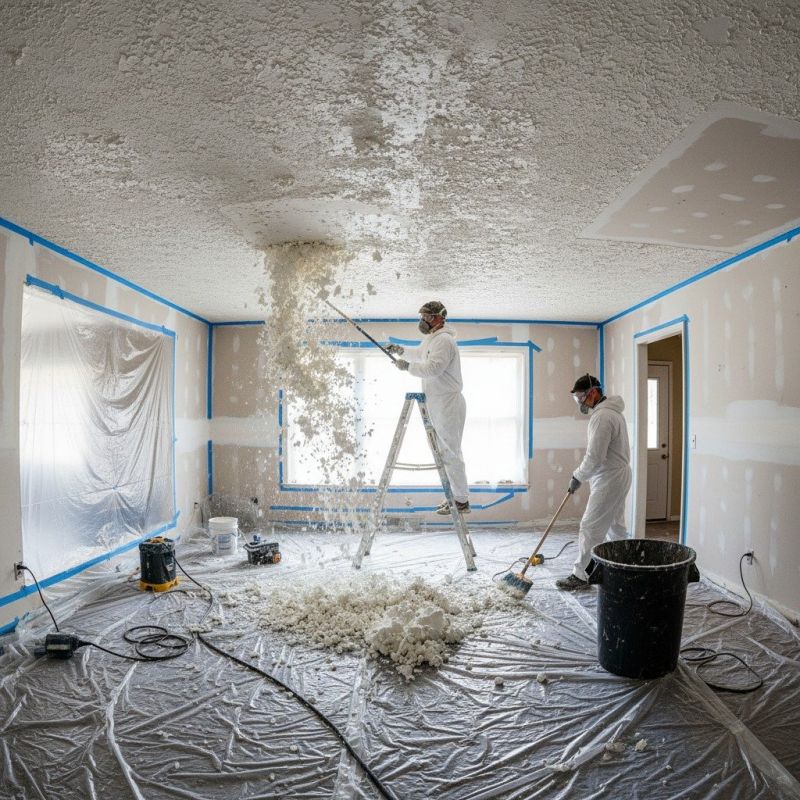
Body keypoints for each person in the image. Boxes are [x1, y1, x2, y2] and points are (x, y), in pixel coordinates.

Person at [388, 301, 470, 515]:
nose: (423, 321)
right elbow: (419, 355)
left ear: (440, 317)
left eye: (428, 317)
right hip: (437, 401)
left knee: (450, 451)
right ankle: (454, 497)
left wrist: (407, 368)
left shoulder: (443, 341)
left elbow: (434, 368)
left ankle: (461, 501)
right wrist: (401, 351)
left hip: (447, 402)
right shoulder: (432, 339)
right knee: (444, 451)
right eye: (422, 316)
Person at [556, 373, 631, 590]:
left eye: (581, 396)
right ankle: (623, 566)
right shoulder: (612, 413)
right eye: (577, 397)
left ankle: (580, 575)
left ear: (594, 392)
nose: (580, 401)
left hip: (609, 478)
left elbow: (595, 457)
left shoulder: (602, 417)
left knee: (590, 526)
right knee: (616, 526)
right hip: (617, 475)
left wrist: (577, 476)